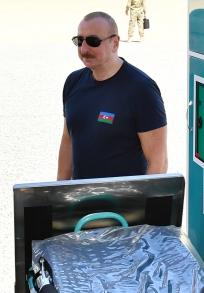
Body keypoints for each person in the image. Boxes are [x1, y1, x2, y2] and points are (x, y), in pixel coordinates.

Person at [58, 12, 167, 180]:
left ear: (115, 43)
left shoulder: (141, 90)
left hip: (125, 197)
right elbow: (68, 141)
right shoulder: (73, 82)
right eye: (79, 41)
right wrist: (60, 190)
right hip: (81, 196)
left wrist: (143, 197)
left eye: (93, 41)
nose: (84, 49)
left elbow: (159, 163)